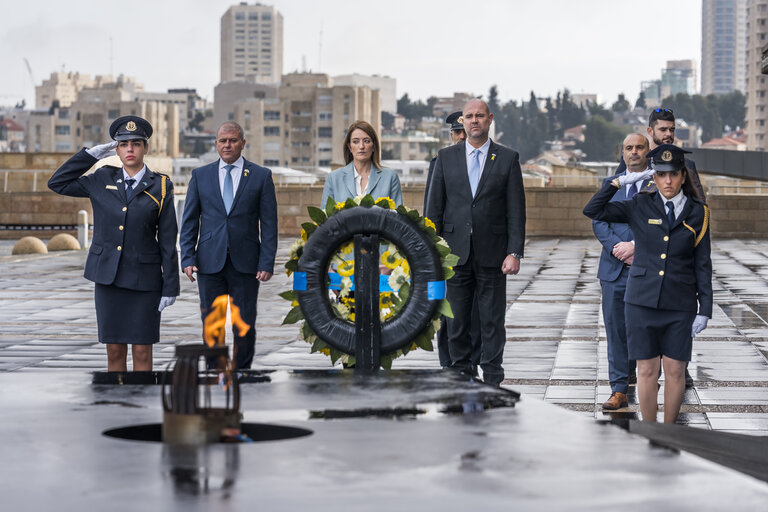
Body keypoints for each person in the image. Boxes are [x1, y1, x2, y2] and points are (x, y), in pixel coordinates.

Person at [583, 144, 712, 423]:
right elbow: (593, 210)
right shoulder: (640, 205)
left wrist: (705, 308)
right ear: (653, 176)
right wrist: (616, 182)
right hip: (641, 300)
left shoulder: (697, 212)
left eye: (674, 174)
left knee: (676, 370)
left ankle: (668, 431)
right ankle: (650, 430)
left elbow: (702, 262)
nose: (668, 181)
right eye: (662, 175)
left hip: (680, 302)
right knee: (646, 370)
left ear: (682, 177)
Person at [48, 116, 179, 372]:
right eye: (123, 144)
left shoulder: (161, 186)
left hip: (145, 281)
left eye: (136, 143)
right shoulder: (101, 178)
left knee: (142, 351)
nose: (130, 149)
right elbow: (57, 183)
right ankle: (116, 406)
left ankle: (138, 407)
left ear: (145, 148)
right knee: (115, 351)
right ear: (116, 149)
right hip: (108, 278)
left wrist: (170, 285)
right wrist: (90, 156)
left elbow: (167, 239)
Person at [427, 99, 526, 386]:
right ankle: (460, 372)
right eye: (469, 116)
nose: (474, 121)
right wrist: (433, 252)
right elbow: (433, 209)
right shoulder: (446, 158)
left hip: (493, 255)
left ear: (490, 119)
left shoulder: (507, 158)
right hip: (455, 254)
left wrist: (515, 251)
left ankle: (493, 375)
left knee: (492, 320)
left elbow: (515, 210)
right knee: (455, 320)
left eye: (479, 116)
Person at [179, 122, 278, 369]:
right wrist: (187, 259)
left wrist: (267, 262)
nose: (227, 145)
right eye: (222, 141)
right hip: (209, 262)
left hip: (246, 263)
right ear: (216, 144)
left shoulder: (260, 176)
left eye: (233, 140)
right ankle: (215, 369)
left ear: (243, 144)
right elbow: (189, 221)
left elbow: (269, 225)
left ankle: (242, 370)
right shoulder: (200, 176)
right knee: (212, 322)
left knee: (244, 323)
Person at [593, 133, 653, 410]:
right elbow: (597, 219)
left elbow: (664, 223)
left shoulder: (659, 183)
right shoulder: (610, 184)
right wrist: (617, 246)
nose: (634, 152)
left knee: (645, 329)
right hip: (614, 269)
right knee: (615, 331)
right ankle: (618, 389)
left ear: (647, 151)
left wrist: (636, 247)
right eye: (629, 148)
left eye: (639, 147)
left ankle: (644, 379)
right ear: (622, 153)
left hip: (646, 270)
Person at [423, 112, 480, 370]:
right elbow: (431, 208)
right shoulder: (440, 162)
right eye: (456, 133)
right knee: (447, 311)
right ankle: (448, 363)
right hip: (449, 248)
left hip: (478, 248)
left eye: (463, 132)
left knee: (477, 311)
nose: (460, 137)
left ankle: (473, 361)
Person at [320, 120, 402, 207]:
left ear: (374, 146)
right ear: (349, 147)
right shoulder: (334, 178)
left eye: (366, 141)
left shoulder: (390, 177)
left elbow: (397, 217)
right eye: (355, 142)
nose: (361, 146)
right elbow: (325, 217)